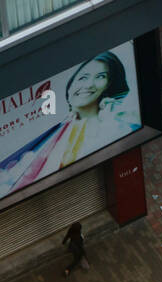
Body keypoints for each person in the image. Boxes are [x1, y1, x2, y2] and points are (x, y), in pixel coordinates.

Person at [0, 52, 141, 197]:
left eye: (100, 76)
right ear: (70, 85)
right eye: (83, 77)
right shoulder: (53, 132)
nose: (89, 84)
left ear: (110, 84)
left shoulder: (119, 125)